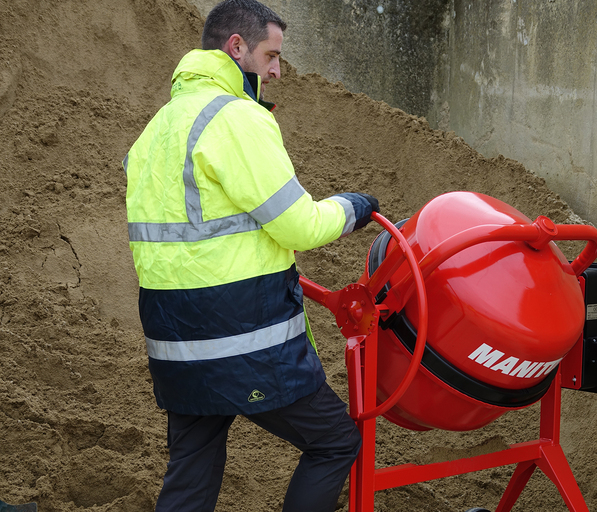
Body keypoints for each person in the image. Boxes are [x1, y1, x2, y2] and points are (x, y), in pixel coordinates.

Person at [122, 1, 376, 510]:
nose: (277, 69)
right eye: (271, 55)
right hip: (244, 337)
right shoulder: (236, 117)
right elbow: (300, 225)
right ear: (236, 48)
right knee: (334, 441)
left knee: (191, 468)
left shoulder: (158, 128)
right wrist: (353, 208)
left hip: (176, 340)